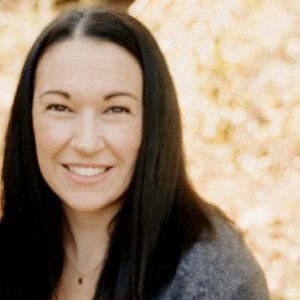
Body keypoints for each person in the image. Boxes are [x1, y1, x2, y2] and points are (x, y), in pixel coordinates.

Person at [0, 6, 270, 300]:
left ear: (154, 123)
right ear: (28, 120)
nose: (87, 143)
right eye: (60, 107)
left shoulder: (215, 280)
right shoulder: (12, 248)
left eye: (116, 109)